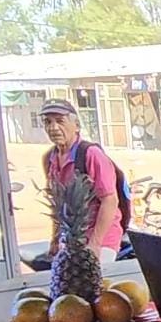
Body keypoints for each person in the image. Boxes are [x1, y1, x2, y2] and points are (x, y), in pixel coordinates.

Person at [39, 98, 123, 263]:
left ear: (76, 126)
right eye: (48, 122)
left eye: (60, 121)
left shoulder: (91, 154)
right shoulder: (49, 158)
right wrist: (55, 239)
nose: (53, 128)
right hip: (72, 238)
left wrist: (95, 244)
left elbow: (109, 200)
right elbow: (58, 205)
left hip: (101, 236)